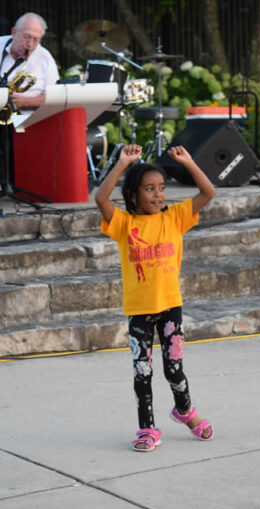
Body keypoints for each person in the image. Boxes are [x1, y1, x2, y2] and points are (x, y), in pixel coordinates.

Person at [95, 144, 217, 452]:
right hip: (140, 311)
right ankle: (147, 427)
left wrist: (188, 162)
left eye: (161, 188)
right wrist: (122, 163)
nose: (158, 194)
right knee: (143, 372)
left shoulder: (174, 217)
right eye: (149, 189)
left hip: (170, 307)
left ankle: (185, 411)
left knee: (174, 369)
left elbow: (208, 192)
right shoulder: (125, 224)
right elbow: (100, 198)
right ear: (134, 195)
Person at [0, 12, 59, 110]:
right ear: (14, 32)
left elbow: (55, 97)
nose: (30, 44)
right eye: (27, 37)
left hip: (27, 120)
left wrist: (25, 102)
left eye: (36, 40)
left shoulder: (45, 57)